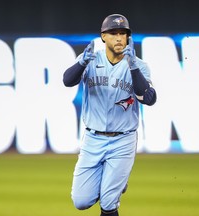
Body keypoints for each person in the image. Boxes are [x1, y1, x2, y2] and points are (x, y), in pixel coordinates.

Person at [63, 14, 157, 216]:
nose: (119, 38)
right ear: (103, 37)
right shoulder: (90, 59)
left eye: (123, 33)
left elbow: (149, 98)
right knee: (81, 201)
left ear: (128, 38)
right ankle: (117, 182)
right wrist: (81, 64)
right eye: (113, 33)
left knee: (108, 201)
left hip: (122, 140)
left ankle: (114, 185)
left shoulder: (138, 66)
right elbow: (67, 80)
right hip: (92, 139)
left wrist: (133, 67)